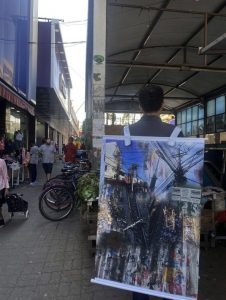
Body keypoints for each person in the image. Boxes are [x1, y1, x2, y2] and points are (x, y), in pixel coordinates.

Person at [124, 85, 183, 300]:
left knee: (139, 260)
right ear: (162, 104)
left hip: (137, 211)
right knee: (168, 257)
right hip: (169, 210)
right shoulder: (176, 133)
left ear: (140, 105)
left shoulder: (127, 132)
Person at [0, 155, 9, 228]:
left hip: (1, 187)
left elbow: (5, 175)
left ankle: (1, 220)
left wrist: (6, 188)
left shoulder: (1, 161)